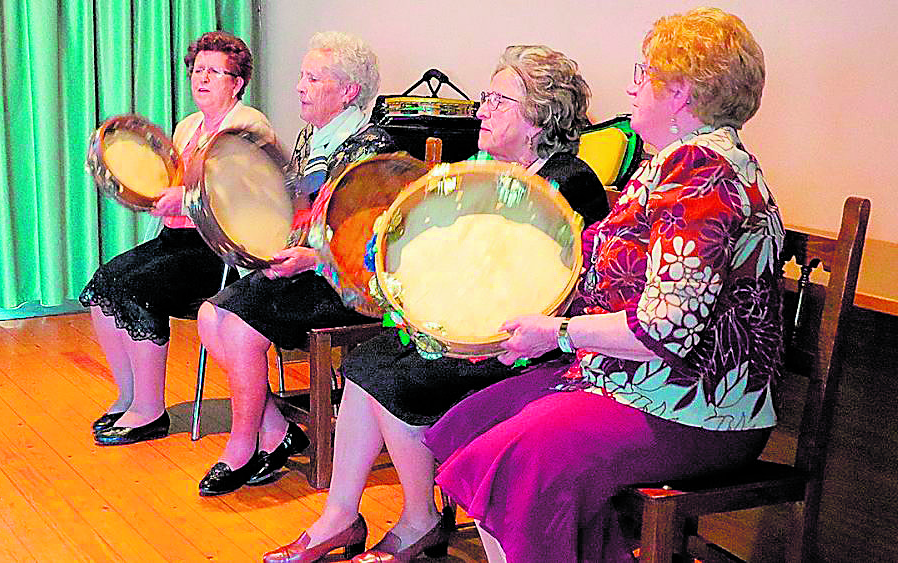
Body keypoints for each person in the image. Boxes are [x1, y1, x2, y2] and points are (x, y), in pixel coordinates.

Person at [422, 8, 782, 562]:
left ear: (681, 91)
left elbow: (664, 327)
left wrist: (555, 333)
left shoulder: (703, 170)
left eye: (643, 74)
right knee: (472, 425)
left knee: (514, 459)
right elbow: (599, 272)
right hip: (636, 384)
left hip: (694, 408)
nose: (631, 87)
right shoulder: (668, 162)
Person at [263, 46, 608, 563]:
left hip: (529, 342)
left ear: (540, 114)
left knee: (398, 379)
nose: (481, 110)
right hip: (472, 325)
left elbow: (555, 288)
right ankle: (339, 518)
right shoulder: (486, 169)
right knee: (367, 362)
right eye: (485, 97)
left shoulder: (568, 181)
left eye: (498, 100)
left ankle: (419, 520)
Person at [194, 31, 396, 496]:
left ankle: (242, 447)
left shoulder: (372, 148)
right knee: (210, 316)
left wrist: (310, 256)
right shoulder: (312, 136)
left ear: (347, 91)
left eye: (313, 77)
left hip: (342, 283)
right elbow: (295, 205)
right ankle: (276, 430)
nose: (299, 86)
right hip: (302, 270)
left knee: (241, 327)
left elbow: (369, 244)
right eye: (301, 76)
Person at [81, 31, 275, 446]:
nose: (201, 78)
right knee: (102, 288)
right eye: (197, 69)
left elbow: (238, 192)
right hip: (177, 242)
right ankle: (128, 396)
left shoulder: (249, 124)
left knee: (136, 290)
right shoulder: (188, 126)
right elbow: (169, 180)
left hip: (220, 253)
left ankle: (150, 411)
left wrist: (183, 201)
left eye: (213, 71)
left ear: (236, 82)